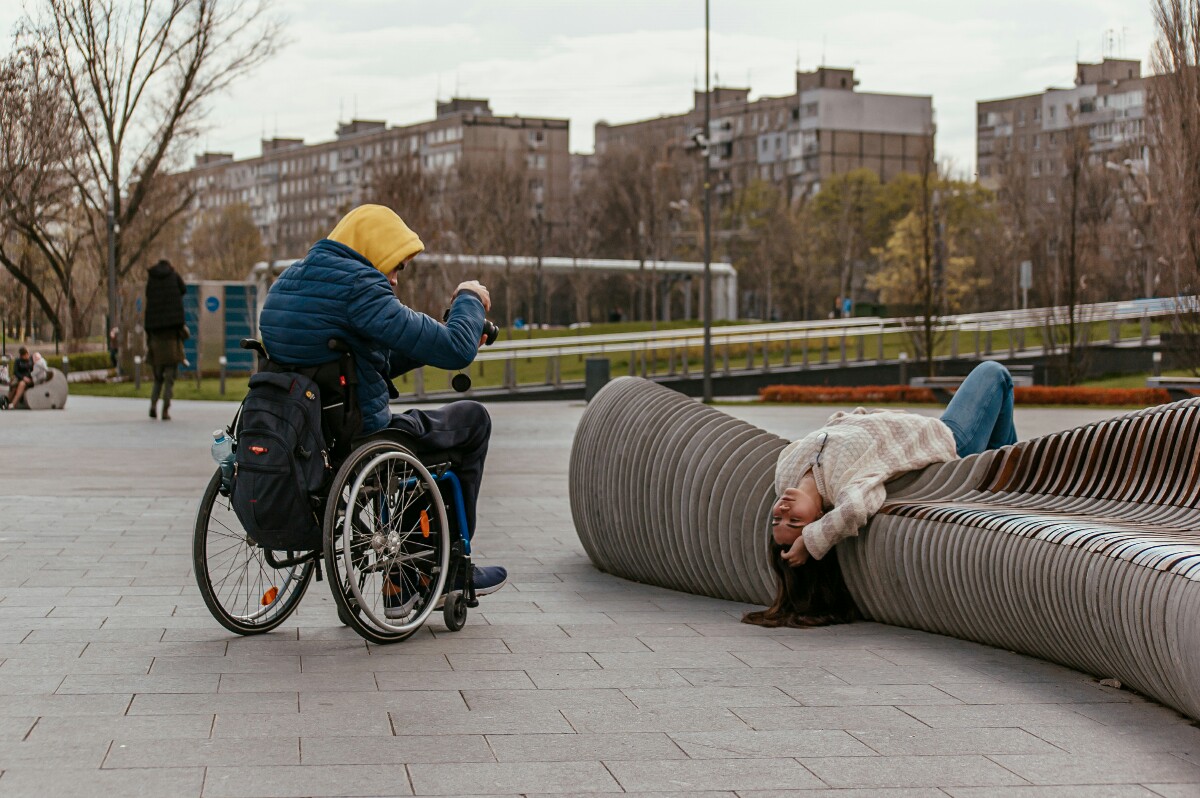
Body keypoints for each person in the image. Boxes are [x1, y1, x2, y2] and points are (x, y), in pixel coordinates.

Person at [259, 204, 507, 617]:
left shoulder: (289, 282)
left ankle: (404, 578)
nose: (393, 279)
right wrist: (469, 300)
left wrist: (423, 345)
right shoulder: (359, 287)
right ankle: (443, 572)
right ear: (372, 250)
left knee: (421, 436)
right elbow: (456, 348)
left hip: (304, 438)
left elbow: (366, 363)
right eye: (396, 266)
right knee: (471, 421)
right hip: (363, 440)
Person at [744, 360, 1018, 629]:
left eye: (776, 520)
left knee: (1004, 453)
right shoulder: (846, 487)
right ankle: (1015, 479)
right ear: (819, 517)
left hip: (905, 424)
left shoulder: (784, 473)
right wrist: (810, 541)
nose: (782, 512)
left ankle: (1012, 480)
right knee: (994, 374)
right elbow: (854, 511)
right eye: (794, 522)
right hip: (947, 439)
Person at [144, 259, 188, 420]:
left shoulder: (152, 279)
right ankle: (165, 410)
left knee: (157, 379)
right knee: (169, 379)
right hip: (171, 343)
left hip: (156, 342)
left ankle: (153, 405)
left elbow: (148, 298)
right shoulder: (173, 276)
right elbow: (183, 289)